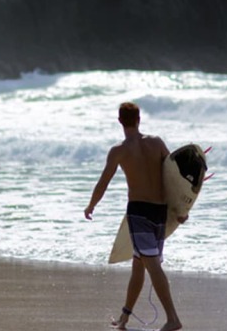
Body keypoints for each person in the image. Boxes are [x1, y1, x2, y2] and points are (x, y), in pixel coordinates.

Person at [84, 102, 185, 331]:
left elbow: (103, 183)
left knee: (152, 266)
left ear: (120, 121)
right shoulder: (157, 143)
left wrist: (91, 205)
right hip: (160, 212)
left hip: (139, 213)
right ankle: (124, 319)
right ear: (139, 119)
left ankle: (173, 318)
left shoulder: (119, 150)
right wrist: (180, 210)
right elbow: (174, 175)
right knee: (139, 266)